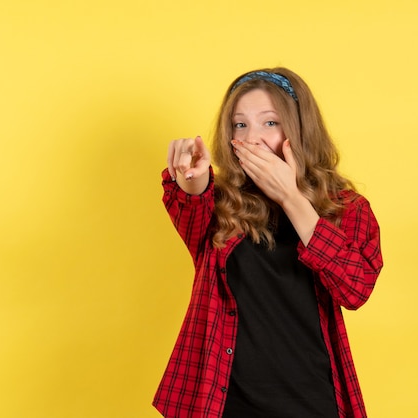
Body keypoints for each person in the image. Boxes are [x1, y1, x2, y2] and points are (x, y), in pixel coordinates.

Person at [153, 67, 383, 418]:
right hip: (224, 402)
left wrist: (292, 198)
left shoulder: (345, 209)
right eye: (240, 124)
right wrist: (192, 178)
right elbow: (191, 204)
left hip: (311, 400)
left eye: (270, 123)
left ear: (299, 129)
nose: (253, 138)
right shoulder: (221, 204)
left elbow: (356, 290)